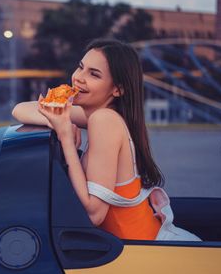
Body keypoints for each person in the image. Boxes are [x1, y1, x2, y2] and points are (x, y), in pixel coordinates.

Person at [12, 39, 200, 241]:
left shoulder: (105, 120)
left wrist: (65, 135)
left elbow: (94, 214)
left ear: (117, 89)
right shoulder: (99, 115)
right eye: (81, 67)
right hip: (141, 250)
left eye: (94, 74)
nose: (78, 78)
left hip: (153, 253)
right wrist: (57, 121)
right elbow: (20, 109)